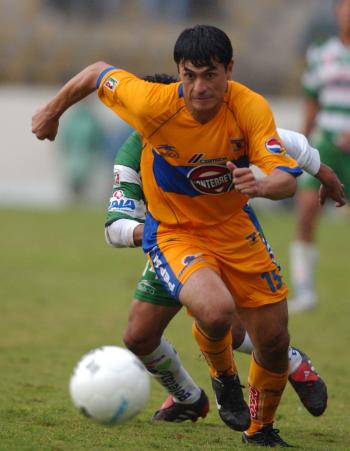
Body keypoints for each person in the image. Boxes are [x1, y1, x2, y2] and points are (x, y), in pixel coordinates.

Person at [32, 25, 346, 447]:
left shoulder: (247, 108)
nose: (199, 87)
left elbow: (290, 161)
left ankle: (261, 430)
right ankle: (217, 381)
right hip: (174, 235)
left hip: (235, 229)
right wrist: (51, 111)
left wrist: (279, 181)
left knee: (272, 338)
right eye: (189, 75)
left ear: (228, 71)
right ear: (178, 74)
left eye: (210, 75)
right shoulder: (147, 113)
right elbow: (96, 72)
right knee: (209, 314)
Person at [106, 77, 339, 423]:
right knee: (138, 336)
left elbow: (290, 143)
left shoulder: (218, 122)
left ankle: (284, 361)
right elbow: (115, 228)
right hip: (171, 241)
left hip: (226, 234)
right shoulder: (133, 151)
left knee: (222, 319)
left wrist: (325, 174)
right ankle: (188, 398)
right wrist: (161, 234)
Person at [289, 0, 350, 313]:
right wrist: (303, 146)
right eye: (344, 7)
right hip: (325, 144)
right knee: (305, 214)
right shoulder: (320, 53)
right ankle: (304, 291)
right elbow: (312, 102)